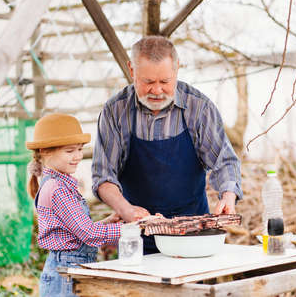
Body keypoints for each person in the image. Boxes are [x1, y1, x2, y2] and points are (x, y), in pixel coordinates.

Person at [92, 35, 243, 254]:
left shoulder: (199, 107)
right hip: (137, 236)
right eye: (148, 82)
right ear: (132, 71)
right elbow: (103, 176)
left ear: (177, 69)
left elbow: (224, 161)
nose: (156, 90)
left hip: (192, 236)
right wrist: (125, 210)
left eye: (164, 82)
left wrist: (228, 196)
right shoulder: (115, 111)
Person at [26, 113, 121, 297]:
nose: (77, 156)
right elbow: (88, 234)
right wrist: (132, 230)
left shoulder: (60, 184)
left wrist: (107, 222)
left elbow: (75, 234)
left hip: (70, 270)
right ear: (45, 151)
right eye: (69, 151)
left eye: (79, 149)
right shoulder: (58, 189)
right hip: (66, 274)